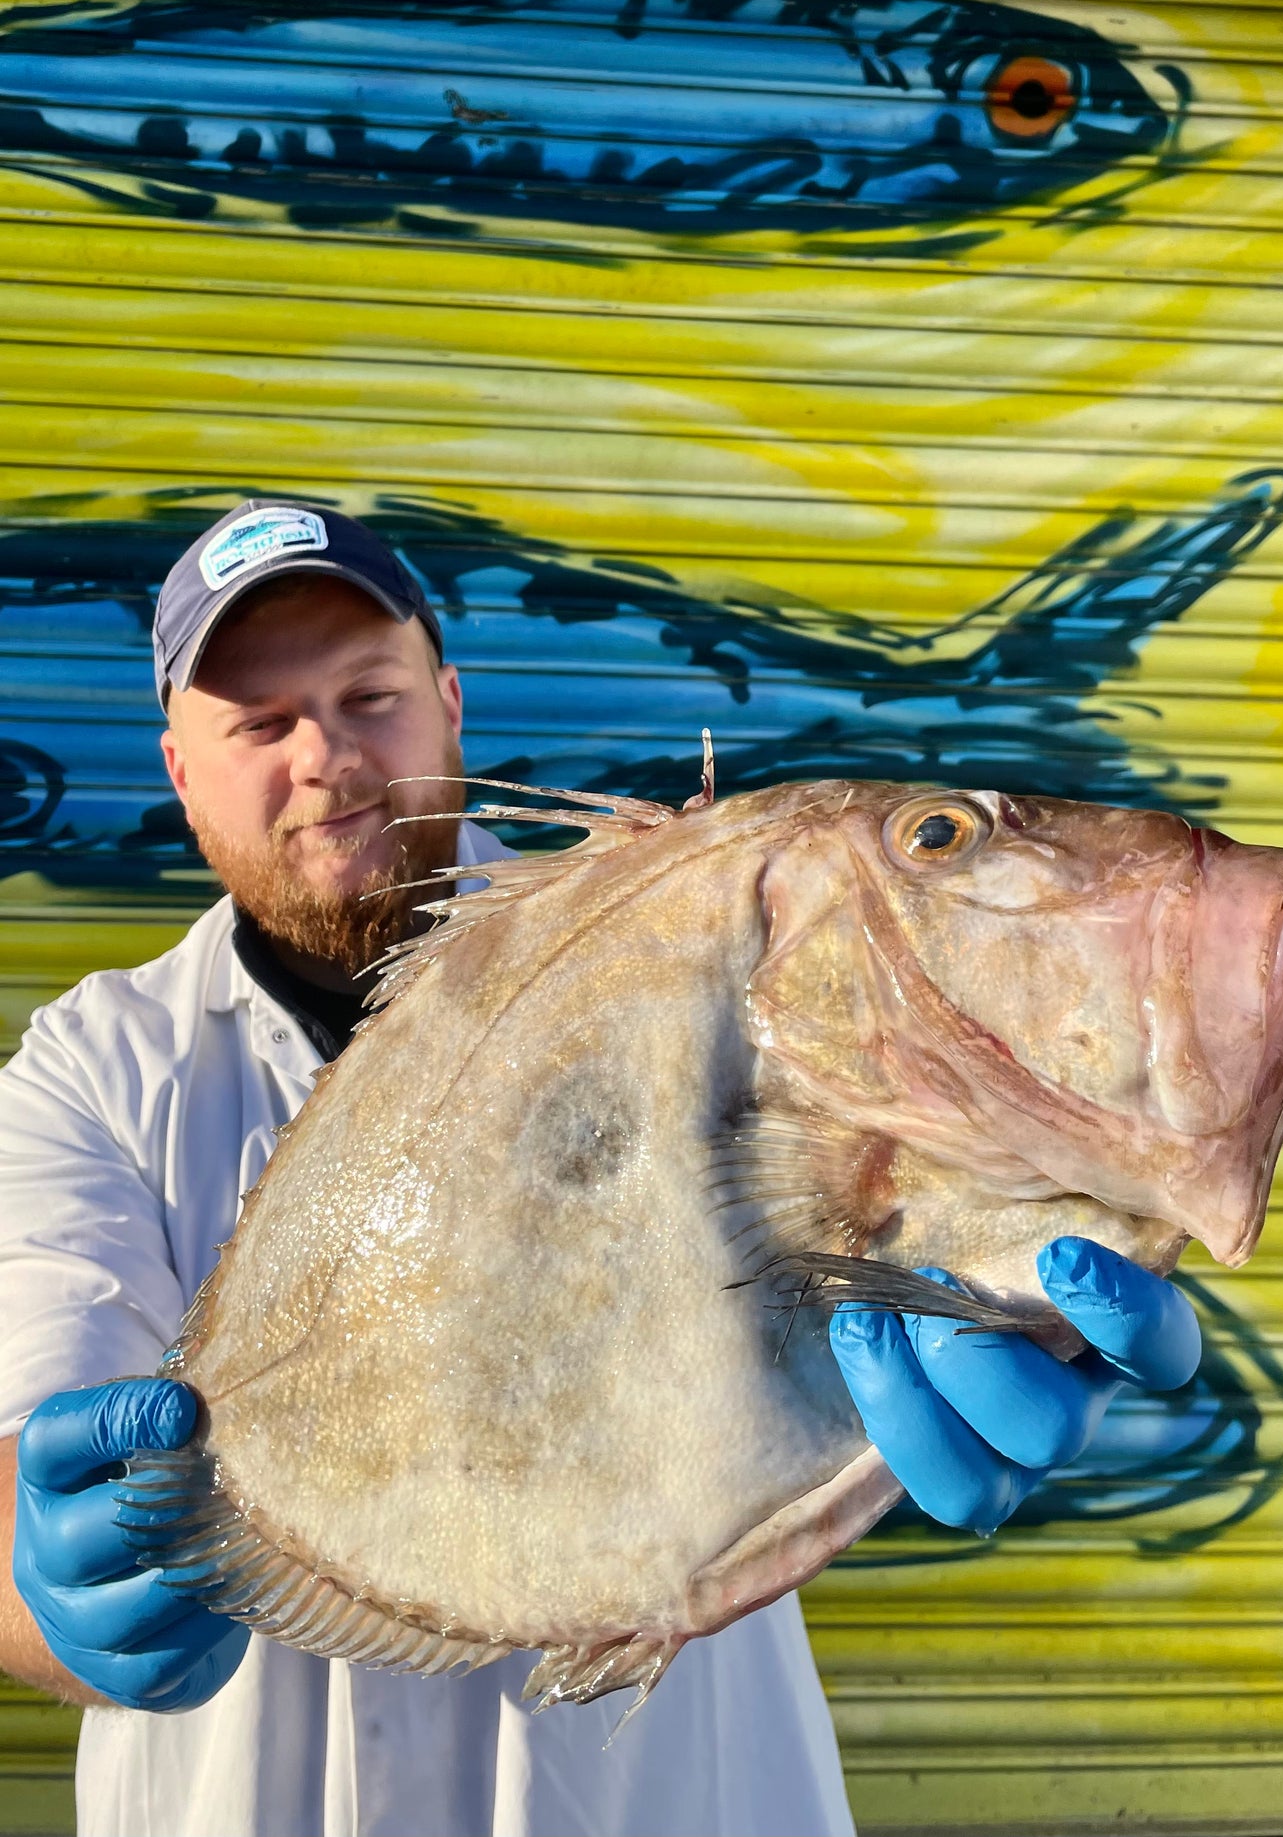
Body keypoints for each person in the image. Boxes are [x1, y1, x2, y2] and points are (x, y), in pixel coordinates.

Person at [0, 500, 1201, 1837]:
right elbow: (23, 1440)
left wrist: (1009, 1295)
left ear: (449, 700)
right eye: (259, 721)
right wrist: (52, 1589)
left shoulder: (696, 943)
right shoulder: (94, 1066)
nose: (328, 755)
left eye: (369, 693)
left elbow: (876, 1201)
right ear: (179, 763)